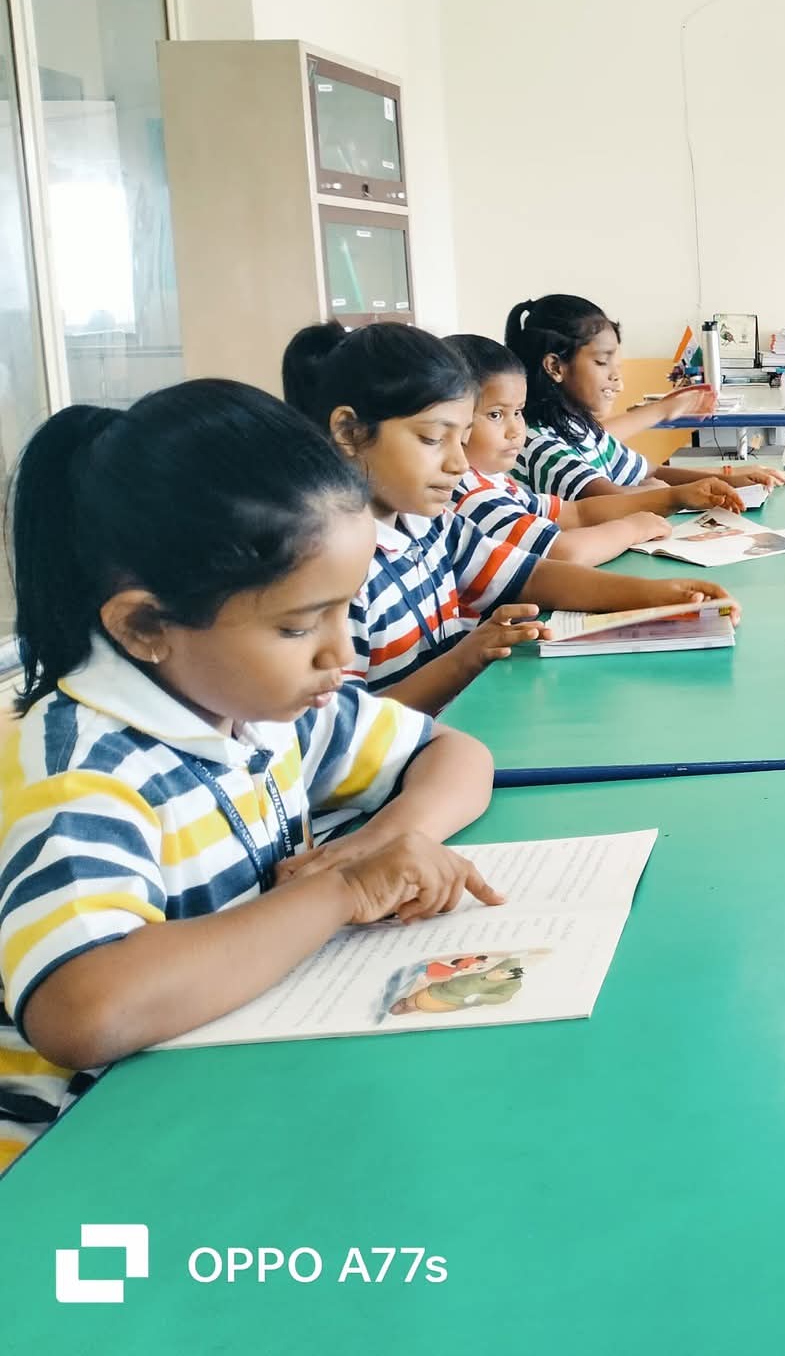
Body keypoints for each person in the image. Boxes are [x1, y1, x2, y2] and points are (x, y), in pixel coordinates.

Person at [0, 380, 497, 1172]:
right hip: (87, 1163)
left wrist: (387, 840)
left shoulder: (259, 704)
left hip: (235, 1085)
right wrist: (342, 893)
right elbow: (83, 1009)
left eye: (345, 609)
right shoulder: (80, 772)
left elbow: (458, 756)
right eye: (298, 625)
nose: (342, 652)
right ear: (146, 625)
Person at [283, 321, 729, 712]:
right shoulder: (334, 570)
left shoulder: (430, 525)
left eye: (462, 439)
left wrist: (658, 596)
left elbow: (531, 575)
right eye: (433, 439)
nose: (459, 463)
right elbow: (348, 732)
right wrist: (464, 659)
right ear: (350, 431)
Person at [447, 333, 739, 566]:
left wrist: (678, 494)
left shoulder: (499, 480)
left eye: (518, 412)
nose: (515, 430)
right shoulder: (474, 493)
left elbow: (577, 513)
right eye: (496, 414)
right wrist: (633, 528)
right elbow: (564, 552)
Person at [505, 293, 785, 500]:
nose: (617, 380)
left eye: (617, 366)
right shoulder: (541, 445)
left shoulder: (580, 429)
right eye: (602, 363)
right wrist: (663, 493)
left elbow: (647, 473)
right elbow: (612, 501)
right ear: (555, 367)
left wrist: (729, 477)